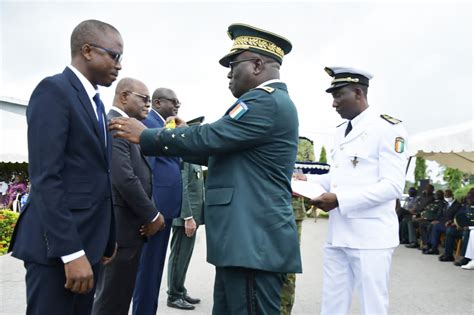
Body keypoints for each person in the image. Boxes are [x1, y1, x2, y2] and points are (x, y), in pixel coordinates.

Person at [110, 23, 302, 315]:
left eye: (232, 65)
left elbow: (212, 137)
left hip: (253, 243)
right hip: (244, 243)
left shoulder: (265, 102)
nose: (228, 74)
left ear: (258, 64)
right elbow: (220, 152)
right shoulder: (266, 103)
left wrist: (147, 135)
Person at [8, 19, 123, 314]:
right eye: (115, 55)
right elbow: (46, 177)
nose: (119, 65)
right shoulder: (54, 91)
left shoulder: (95, 102)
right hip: (57, 249)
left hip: (89, 244)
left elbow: (98, 174)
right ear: (87, 50)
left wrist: (104, 240)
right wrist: (71, 253)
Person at [306, 67, 408, 315]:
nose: (334, 103)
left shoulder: (388, 129)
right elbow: (339, 178)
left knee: (372, 305)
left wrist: (340, 199)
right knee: (332, 303)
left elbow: (393, 185)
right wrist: (305, 180)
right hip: (338, 232)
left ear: (359, 92)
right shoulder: (341, 130)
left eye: (338, 95)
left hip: (370, 236)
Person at [91, 78, 165, 315]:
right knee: (110, 301)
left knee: (120, 298)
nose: (148, 105)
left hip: (130, 230)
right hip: (120, 231)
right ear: (124, 96)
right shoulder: (116, 125)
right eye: (144, 99)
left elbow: (140, 176)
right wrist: (153, 215)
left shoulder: (126, 126)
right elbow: (124, 178)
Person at [132, 87, 183, 315]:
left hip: (166, 208)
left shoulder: (163, 125)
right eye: (174, 102)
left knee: (155, 269)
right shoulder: (149, 124)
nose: (178, 105)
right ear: (158, 102)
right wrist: (151, 211)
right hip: (157, 210)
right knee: (148, 270)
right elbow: (147, 171)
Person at [167, 117, 205, 310]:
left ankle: (180, 290)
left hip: (192, 218)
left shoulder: (193, 155)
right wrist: (188, 216)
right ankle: (173, 295)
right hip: (185, 218)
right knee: (179, 255)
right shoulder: (184, 154)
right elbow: (182, 186)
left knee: (185, 256)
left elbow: (197, 187)